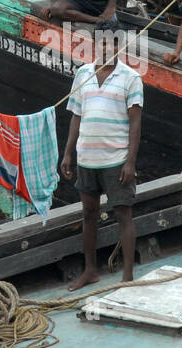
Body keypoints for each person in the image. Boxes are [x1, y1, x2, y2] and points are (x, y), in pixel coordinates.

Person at [61, 30, 143, 290]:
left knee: (123, 213)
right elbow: (76, 115)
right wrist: (68, 153)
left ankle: (127, 276)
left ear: (120, 46)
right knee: (88, 213)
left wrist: (130, 162)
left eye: (112, 43)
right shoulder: (83, 74)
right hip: (87, 157)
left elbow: (136, 122)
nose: (106, 47)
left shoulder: (131, 78)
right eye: (102, 42)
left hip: (116, 158)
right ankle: (90, 271)